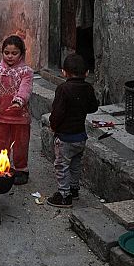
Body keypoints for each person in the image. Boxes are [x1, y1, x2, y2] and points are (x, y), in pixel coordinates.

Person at [45, 54, 99, 208]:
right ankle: (74, 189)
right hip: (80, 137)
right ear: (87, 73)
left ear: (63, 72)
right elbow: (93, 107)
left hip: (65, 138)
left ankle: (63, 195)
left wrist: (53, 125)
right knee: (75, 164)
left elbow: (58, 113)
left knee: (62, 166)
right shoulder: (88, 87)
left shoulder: (63, 89)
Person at [0, 34, 34, 185]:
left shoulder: (26, 71)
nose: (10, 56)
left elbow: (26, 88)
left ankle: (21, 169)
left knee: (20, 144)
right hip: (2, 115)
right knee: (2, 144)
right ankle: (3, 167)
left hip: (21, 117)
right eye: (7, 53)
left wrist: (19, 101)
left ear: (22, 53)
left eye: (14, 53)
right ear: (2, 52)